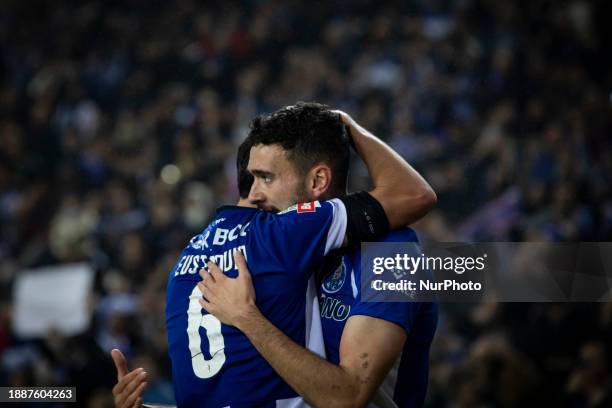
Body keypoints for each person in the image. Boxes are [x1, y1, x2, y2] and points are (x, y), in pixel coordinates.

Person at [112, 103, 436, 407]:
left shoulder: (396, 253)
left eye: (266, 178)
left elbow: (349, 396)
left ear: (318, 181)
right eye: (251, 178)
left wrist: (346, 125)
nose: (253, 194)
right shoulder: (279, 254)